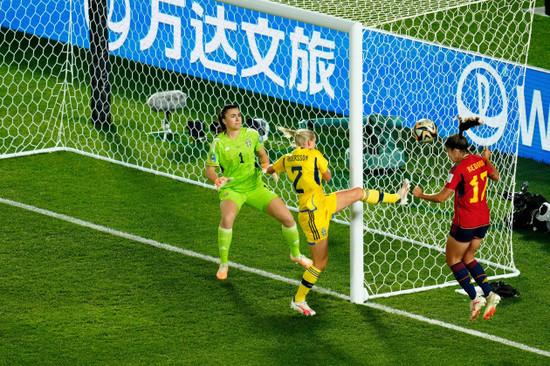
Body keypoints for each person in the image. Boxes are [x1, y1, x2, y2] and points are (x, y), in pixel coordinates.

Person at [265, 127, 409, 316]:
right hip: (313, 215)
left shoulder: (287, 158)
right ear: (309, 143)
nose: (314, 144)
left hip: (322, 203)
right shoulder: (315, 155)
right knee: (320, 263)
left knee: (357, 193)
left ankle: (397, 197)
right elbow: (328, 176)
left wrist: (271, 170)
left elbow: (269, 170)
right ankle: (298, 300)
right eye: (314, 142)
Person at [205, 105, 312, 280]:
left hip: (255, 187)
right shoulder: (219, 143)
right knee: (227, 219)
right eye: (233, 116)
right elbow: (209, 170)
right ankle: (224, 263)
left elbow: (262, 155)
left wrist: (266, 167)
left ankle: (296, 254)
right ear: (224, 121)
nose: (238, 119)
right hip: (233, 190)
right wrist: (216, 179)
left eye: (239, 115)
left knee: (288, 218)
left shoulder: (252, 135)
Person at [412, 117, 501, 321]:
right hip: (483, 220)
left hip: (466, 222)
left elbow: (443, 198)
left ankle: (475, 297)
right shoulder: (480, 161)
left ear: (455, 151)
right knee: (468, 257)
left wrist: (421, 195)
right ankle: (489, 294)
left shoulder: (457, 169)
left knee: (453, 260)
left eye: (448, 152)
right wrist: (486, 159)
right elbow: (495, 176)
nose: (448, 155)